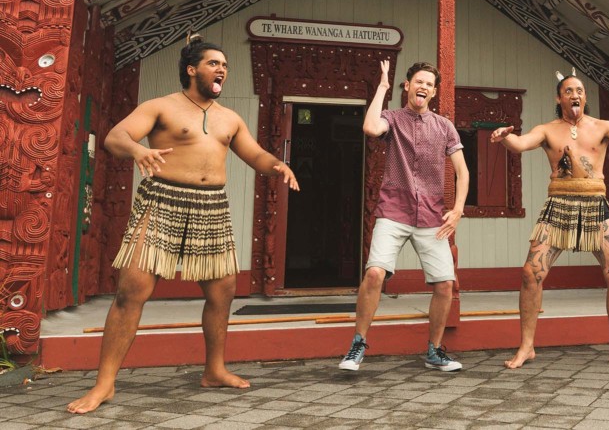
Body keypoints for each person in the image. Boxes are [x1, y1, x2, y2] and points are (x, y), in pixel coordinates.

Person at [68, 36, 299, 414]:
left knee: (223, 290)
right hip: (163, 200)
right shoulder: (161, 106)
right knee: (132, 289)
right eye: (213, 63)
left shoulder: (230, 118)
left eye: (225, 65)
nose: (222, 69)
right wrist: (139, 149)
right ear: (192, 69)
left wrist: (278, 165)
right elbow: (115, 137)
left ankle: (214, 369)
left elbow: (254, 154)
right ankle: (104, 384)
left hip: (211, 206)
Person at [491, 69, 609, 369]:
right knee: (531, 273)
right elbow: (521, 144)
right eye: (569, 91)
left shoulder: (602, 127)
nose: (575, 95)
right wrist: (506, 138)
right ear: (559, 98)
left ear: (585, 98)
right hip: (559, 204)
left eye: (580, 91)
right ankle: (527, 347)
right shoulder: (547, 130)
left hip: (595, 204)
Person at [339, 60, 470, 373]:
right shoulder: (392, 119)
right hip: (394, 209)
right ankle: (358, 345)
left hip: (432, 215)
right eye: (418, 82)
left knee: (445, 284)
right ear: (408, 86)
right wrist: (382, 86)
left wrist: (457, 210)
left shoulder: (445, 127)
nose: (423, 87)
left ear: (433, 92)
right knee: (374, 273)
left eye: (429, 84)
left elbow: (463, 172)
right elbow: (370, 128)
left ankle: (434, 351)